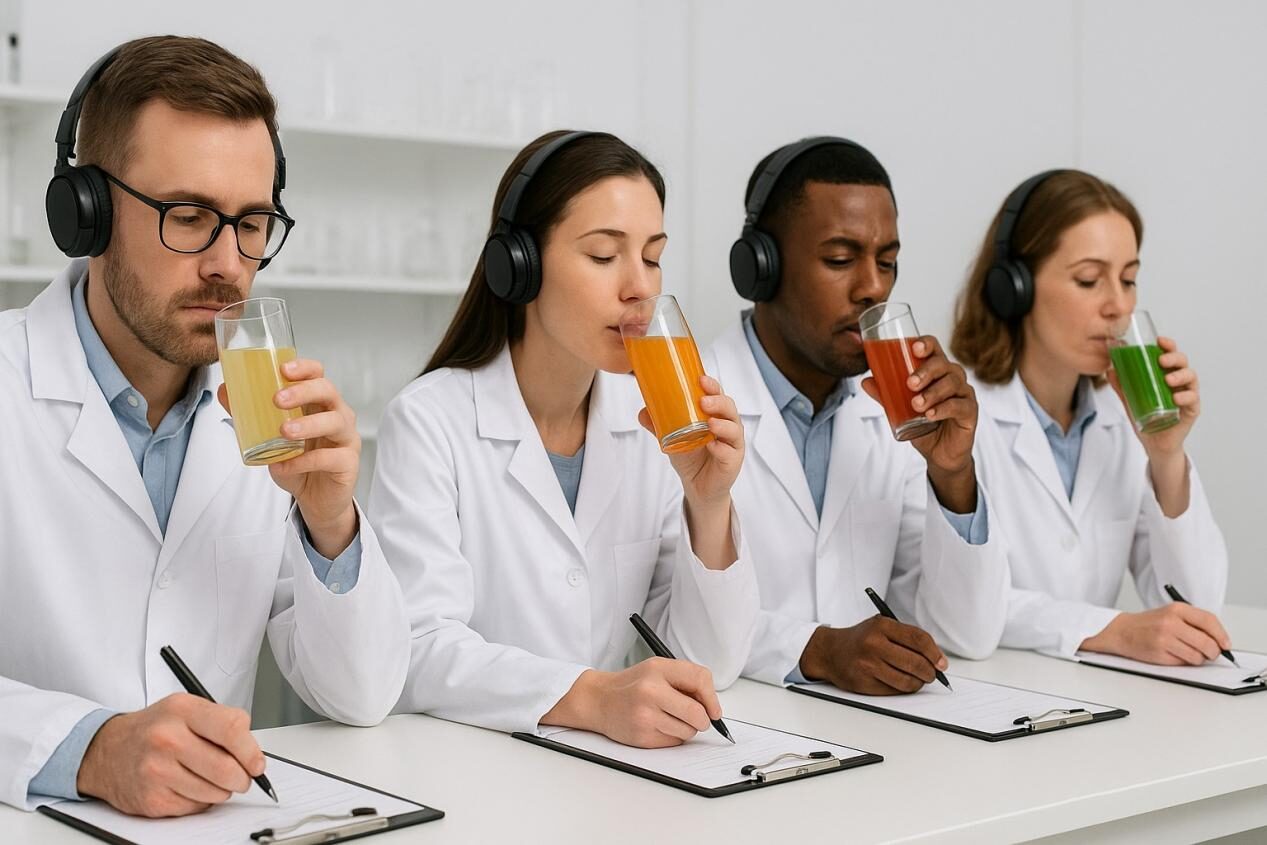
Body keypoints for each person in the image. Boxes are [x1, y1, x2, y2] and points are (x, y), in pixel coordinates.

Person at [0, 37, 408, 815]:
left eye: (251, 223)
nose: (227, 263)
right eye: (188, 217)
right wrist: (89, 747)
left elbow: (360, 695)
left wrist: (330, 522)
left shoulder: (266, 414)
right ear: (86, 213)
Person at [369, 130, 758, 747]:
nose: (640, 287)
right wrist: (593, 697)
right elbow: (419, 649)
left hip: (607, 771)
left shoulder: (652, 420)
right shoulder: (429, 420)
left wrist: (708, 504)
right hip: (473, 765)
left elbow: (710, 664)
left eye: (652, 257)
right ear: (519, 266)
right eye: (604, 255)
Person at [710, 136, 1008, 695]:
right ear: (760, 269)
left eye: (887, 262)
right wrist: (818, 650)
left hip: (872, 734)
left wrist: (952, 475)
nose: (874, 287)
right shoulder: (687, 403)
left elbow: (967, 634)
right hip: (727, 727)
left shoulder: (899, 414)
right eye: (840, 260)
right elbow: (662, 615)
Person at [950, 168, 1229, 663]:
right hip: (988, 689)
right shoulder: (953, 415)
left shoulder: (1121, 418)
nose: (1118, 306)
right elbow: (956, 602)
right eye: (1088, 280)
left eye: (1128, 280)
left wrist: (1167, 457)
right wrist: (1111, 630)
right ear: (1014, 287)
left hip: (1092, 694)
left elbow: (1196, 608)